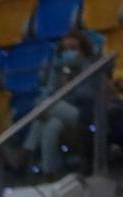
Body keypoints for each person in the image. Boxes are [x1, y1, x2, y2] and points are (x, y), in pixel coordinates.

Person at [30, 32, 94, 178]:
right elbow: (49, 91)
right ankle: (49, 173)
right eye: (65, 50)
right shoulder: (58, 70)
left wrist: (69, 84)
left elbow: (87, 96)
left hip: (84, 114)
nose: (69, 53)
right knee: (53, 124)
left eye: (73, 48)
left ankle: (27, 151)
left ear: (82, 50)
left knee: (44, 106)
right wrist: (62, 76)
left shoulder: (92, 67)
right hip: (62, 113)